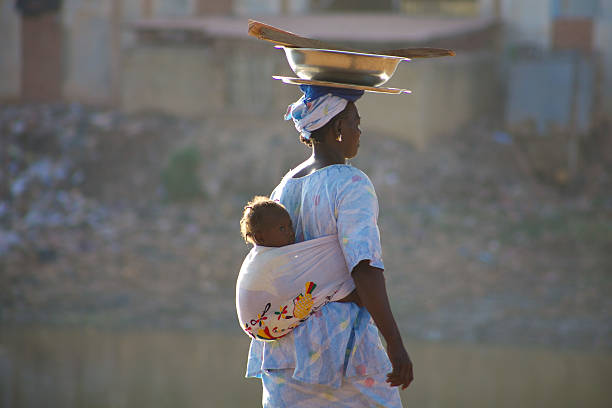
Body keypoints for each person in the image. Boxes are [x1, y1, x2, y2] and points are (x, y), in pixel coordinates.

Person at [245, 85, 413, 407]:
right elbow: (363, 266)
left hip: (285, 348)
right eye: (355, 123)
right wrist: (394, 343)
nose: (359, 132)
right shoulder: (351, 183)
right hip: (341, 351)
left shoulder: (284, 187)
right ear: (338, 129)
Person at [236, 195, 362, 341]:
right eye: (282, 228)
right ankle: (346, 294)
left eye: (290, 226)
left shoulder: (265, 257)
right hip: (263, 323)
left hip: (258, 329)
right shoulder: (267, 261)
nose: (290, 232)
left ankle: (342, 293)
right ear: (261, 237)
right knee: (311, 288)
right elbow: (296, 285)